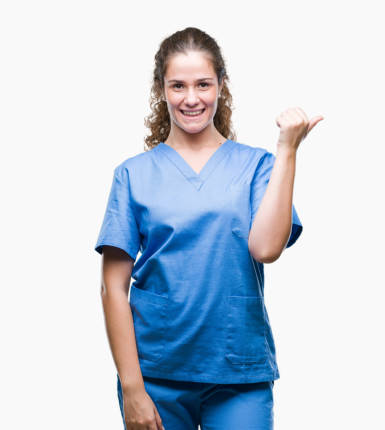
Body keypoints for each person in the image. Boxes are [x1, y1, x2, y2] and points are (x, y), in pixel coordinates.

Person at [94, 27, 323, 430]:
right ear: (161, 91)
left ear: (221, 86)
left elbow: (266, 248)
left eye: (203, 84)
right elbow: (113, 287)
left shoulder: (257, 167)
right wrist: (132, 388)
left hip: (239, 373)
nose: (191, 98)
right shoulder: (133, 174)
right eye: (177, 85)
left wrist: (287, 150)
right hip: (156, 375)